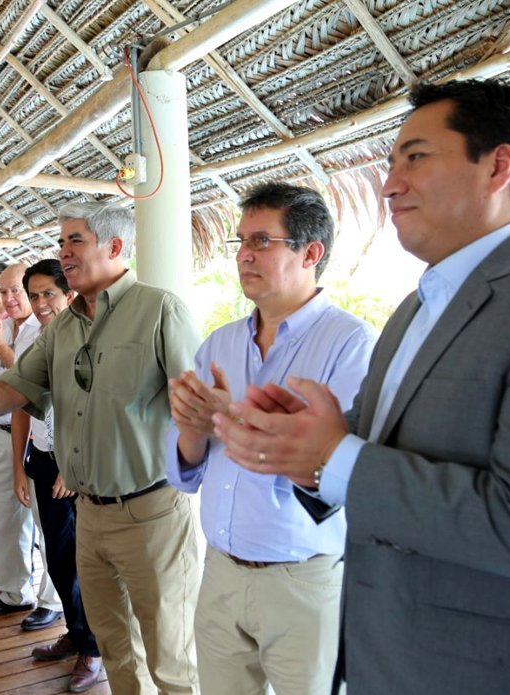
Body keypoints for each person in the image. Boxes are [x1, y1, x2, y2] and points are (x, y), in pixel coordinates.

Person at [214, 79, 510, 694]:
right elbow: (361, 451)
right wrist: (298, 444)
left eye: (415, 158)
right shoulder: (415, 309)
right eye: (391, 164)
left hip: (483, 670)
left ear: (498, 167)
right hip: (384, 653)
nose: (389, 184)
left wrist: (334, 457)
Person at [0, 201, 202, 694]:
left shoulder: (160, 310)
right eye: (61, 243)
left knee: (171, 658)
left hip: (151, 512)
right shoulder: (62, 327)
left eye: (75, 241)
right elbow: (15, 387)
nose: (63, 252)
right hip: (89, 513)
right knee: (116, 648)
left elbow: (195, 407)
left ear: (114, 246)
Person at [167, 182, 376, 694]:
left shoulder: (350, 344)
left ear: (311, 253)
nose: (243, 255)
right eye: (240, 241)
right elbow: (186, 472)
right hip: (220, 570)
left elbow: (337, 470)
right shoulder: (221, 343)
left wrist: (230, 417)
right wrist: (193, 429)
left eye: (261, 241)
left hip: (302, 581)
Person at [13, 259, 102, 692]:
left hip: (80, 467)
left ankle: (94, 650)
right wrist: (20, 464)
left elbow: (94, 405)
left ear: (69, 295)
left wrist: (70, 464)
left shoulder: (88, 337)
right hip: (44, 460)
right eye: (33, 295)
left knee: (87, 561)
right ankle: (76, 632)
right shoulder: (33, 339)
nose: (40, 303)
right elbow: (20, 401)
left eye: (48, 293)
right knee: (58, 559)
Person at [0, 263, 62, 626]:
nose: (7, 298)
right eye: (2, 290)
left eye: (14, 291)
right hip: (3, 431)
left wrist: (0, 347)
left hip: (41, 436)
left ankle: (52, 600)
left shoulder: (50, 326)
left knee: (45, 520)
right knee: (3, 517)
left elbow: (32, 383)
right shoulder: (3, 327)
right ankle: (13, 592)